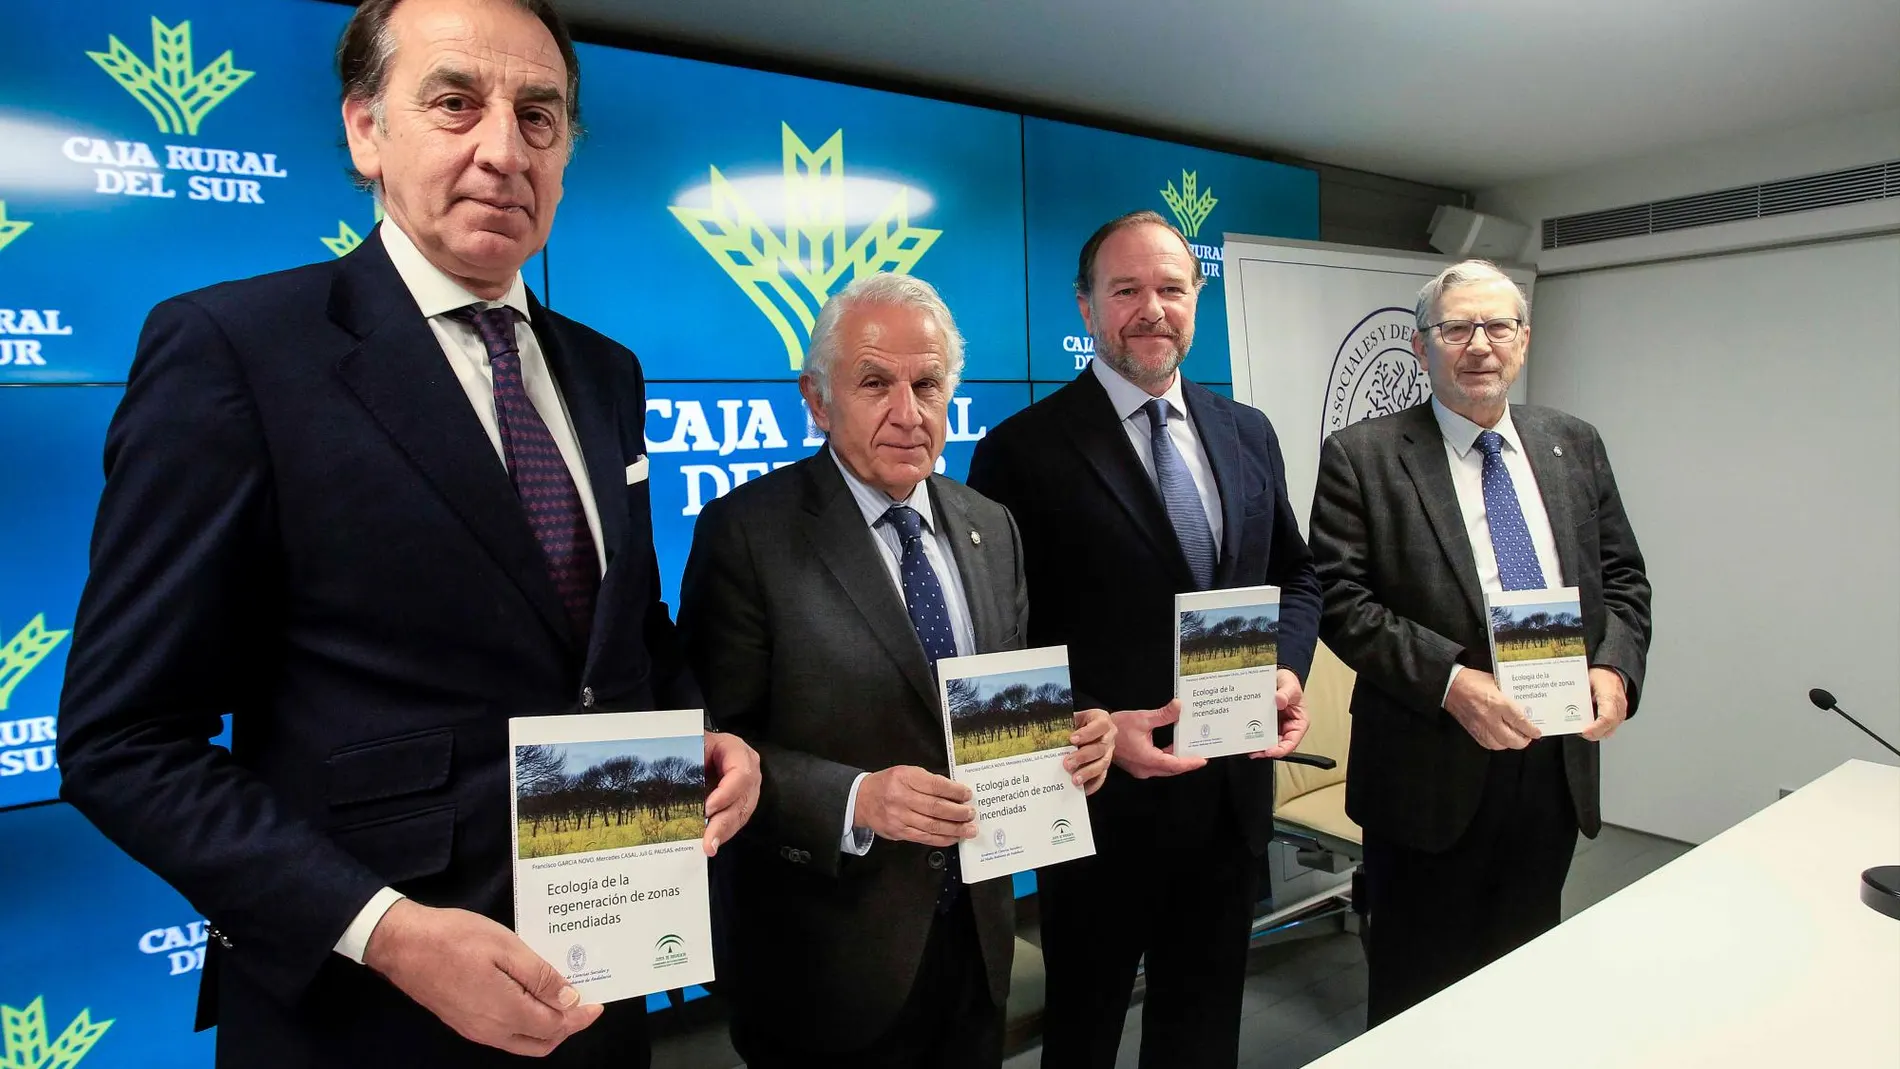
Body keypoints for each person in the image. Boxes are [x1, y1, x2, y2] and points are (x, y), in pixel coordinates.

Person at [54, 1, 760, 1065]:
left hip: (600, 990)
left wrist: (704, 737)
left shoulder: (605, 371)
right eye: (454, 102)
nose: (501, 149)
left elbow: (622, 639)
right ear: (365, 132)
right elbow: (124, 741)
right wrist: (382, 931)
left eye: (539, 116)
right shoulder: (232, 351)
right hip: (362, 1017)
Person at [678, 272, 1116, 1069]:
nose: (908, 412)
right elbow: (711, 747)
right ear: (817, 399)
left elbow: (1007, 690)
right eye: (875, 383)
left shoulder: (992, 525)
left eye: (928, 383)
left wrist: (1083, 725)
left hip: (976, 936)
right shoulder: (748, 534)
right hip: (826, 958)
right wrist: (856, 797)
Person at [966, 211, 1322, 1069]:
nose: (1150, 308)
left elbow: (1297, 579)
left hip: (1231, 797)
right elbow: (999, 644)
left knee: (1203, 1033)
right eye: (1126, 290)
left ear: (1196, 299)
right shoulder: (1021, 450)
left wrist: (1283, 668)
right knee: (1082, 1034)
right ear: (1087, 307)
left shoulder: (1248, 432)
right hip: (1097, 807)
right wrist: (1092, 719)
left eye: (1170, 288)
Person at [1308, 259, 1653, 1025]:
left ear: (1523, 340)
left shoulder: (1573, 443)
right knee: (1416, 991)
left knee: (1528, 971)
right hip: (1428, 763)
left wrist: (1614, 668)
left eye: (1498, 326)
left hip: (1553, 756)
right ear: (1422, 343)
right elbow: (1340, 599)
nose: (1479, 345)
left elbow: (1624, 577)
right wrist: (1451, 683)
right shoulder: (1362, 455)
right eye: (1455, 327)